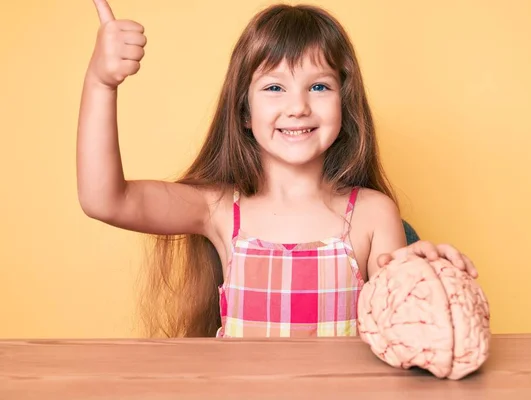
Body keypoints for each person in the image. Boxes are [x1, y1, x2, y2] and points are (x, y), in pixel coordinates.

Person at [77, 0, 479, 338]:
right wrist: (101, 83)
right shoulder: (217, 208)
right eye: (274, 87)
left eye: (319, 86)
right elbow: (106, 200)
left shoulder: (374, 214)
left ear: (346, 103)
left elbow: (405, 331)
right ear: (245, 112)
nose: (298, 106)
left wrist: (429, 281)